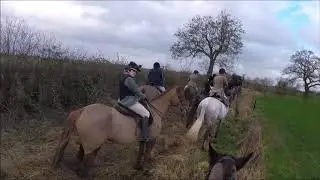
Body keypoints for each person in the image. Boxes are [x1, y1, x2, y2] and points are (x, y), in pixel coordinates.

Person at [118, 61, 152, 142]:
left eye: (135, 72)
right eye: (133, 71)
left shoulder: (123, 78)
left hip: (121, 99)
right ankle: (144, 137)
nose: (135, 73)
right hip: (128, 101)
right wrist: (144, 96)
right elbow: (136, 91)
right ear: (129, 70)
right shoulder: (129, 79)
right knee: (146, 113)